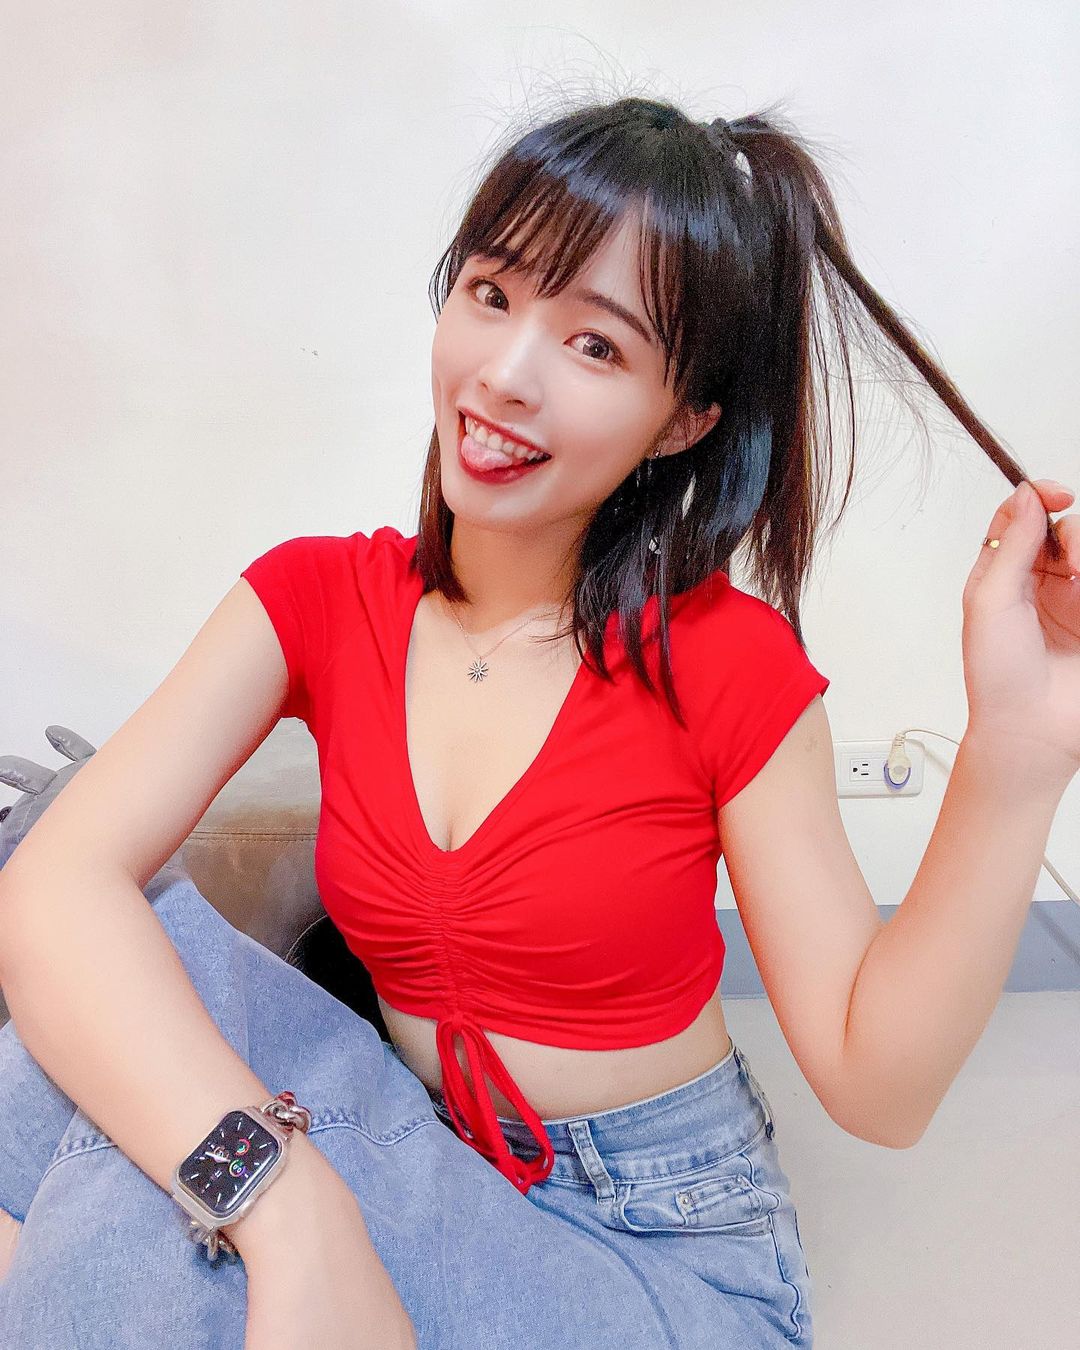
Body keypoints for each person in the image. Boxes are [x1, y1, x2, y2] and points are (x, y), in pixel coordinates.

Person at [1, 94, 1077, 1349]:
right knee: (96, 979)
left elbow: (876, 1085)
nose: (505, 376)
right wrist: (290, 1210)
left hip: (657, 1249)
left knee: (136, 1202)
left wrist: (1020, 747)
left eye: (597, 347)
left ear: (684, 420)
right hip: (422, 1155)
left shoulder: (723, 662)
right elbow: (58, 882)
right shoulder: (316, 598)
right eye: (493, 293)